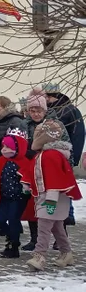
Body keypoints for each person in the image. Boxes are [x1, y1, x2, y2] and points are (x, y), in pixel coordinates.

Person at [21, 120, 81, 271]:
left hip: (53, 198)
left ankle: (39, 256)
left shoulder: (51, 155)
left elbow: (55, 179)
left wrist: (51, 200)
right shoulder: (43, 154)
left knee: (44, 227)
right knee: (57, 227)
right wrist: (27, 184)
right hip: (47, 196)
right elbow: (34, 171)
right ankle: (66, 253)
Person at [0, 129, 34, 259]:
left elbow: (28, 179)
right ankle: (11, 236)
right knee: (0, 219)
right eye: (4, 146)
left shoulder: (24, 162)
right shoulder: (1, 161)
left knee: (13, 220)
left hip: (18, 198)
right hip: (3, 197)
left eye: (8, 146)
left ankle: (13, 246)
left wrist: (25, 189)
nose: (4, 149)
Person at [42, 82, 84, 226]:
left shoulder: (69, 110)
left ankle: (69, 214)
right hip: (51, 155)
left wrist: (74, 156)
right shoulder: (47, 111)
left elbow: (78, 134)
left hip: (66, 154)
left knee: (66, 184)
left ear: (50, 96)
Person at [0, 96, 26, 237]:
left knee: (11, 196)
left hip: (12, 161)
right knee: (0, 193)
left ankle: (13, 226)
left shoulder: (15, 121)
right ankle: (3, 223)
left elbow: (18, 141)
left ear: (5, 107)